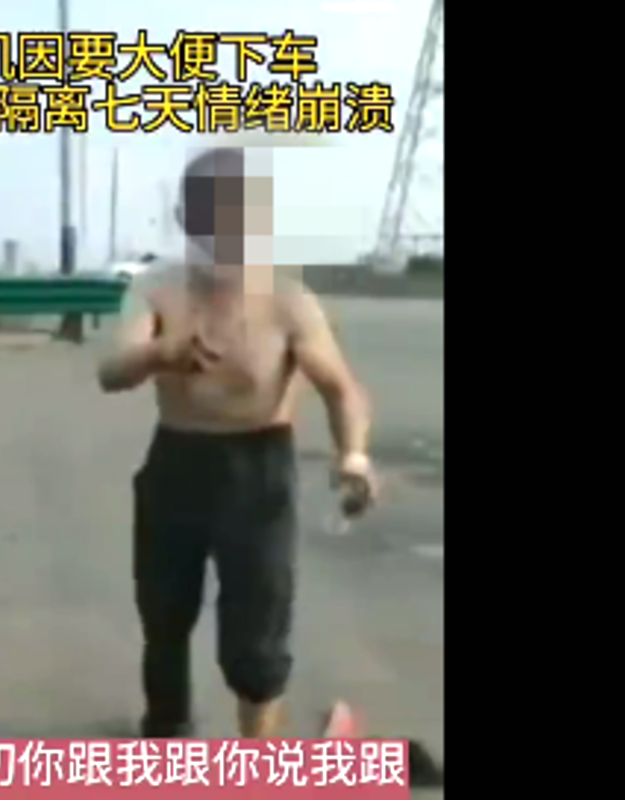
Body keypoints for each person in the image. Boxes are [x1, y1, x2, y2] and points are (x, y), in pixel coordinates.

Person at [96, 145, 377, 738]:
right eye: (208, 216)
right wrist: (161, 353)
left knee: (256, 641)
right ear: (185, 217)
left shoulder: (287, 302)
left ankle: (258, 756)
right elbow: (112, 369)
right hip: (176, 464)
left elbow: (340, 389)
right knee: (164, 616)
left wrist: (353, 456)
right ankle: (168, 731)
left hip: (258, 472)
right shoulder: (158, 290)